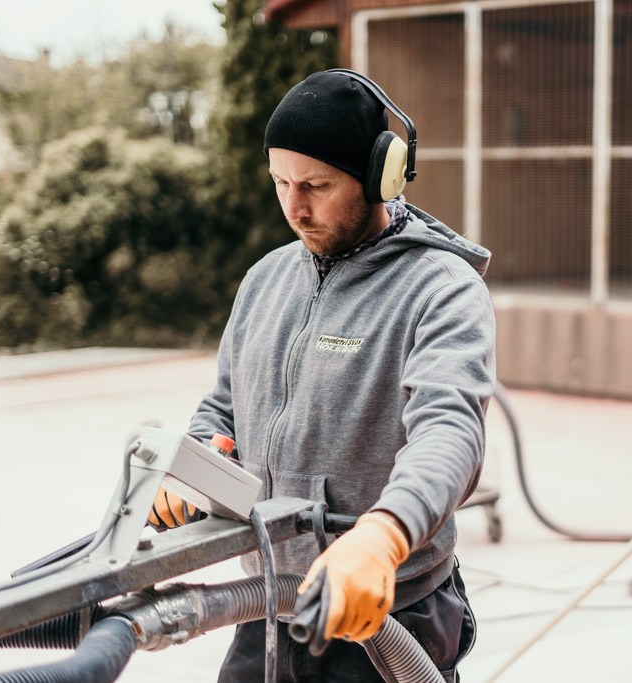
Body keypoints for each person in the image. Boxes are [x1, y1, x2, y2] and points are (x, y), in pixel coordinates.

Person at [150, 69, 495, 682]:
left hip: (389, 609)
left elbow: (450, 433)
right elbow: (225, 409)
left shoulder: (441, 291)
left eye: (315, 184)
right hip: (271, 601)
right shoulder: (264, 280)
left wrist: (384, 537)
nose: (294, 206)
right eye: (280, 182)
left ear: (378, 176)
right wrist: (197, 462)